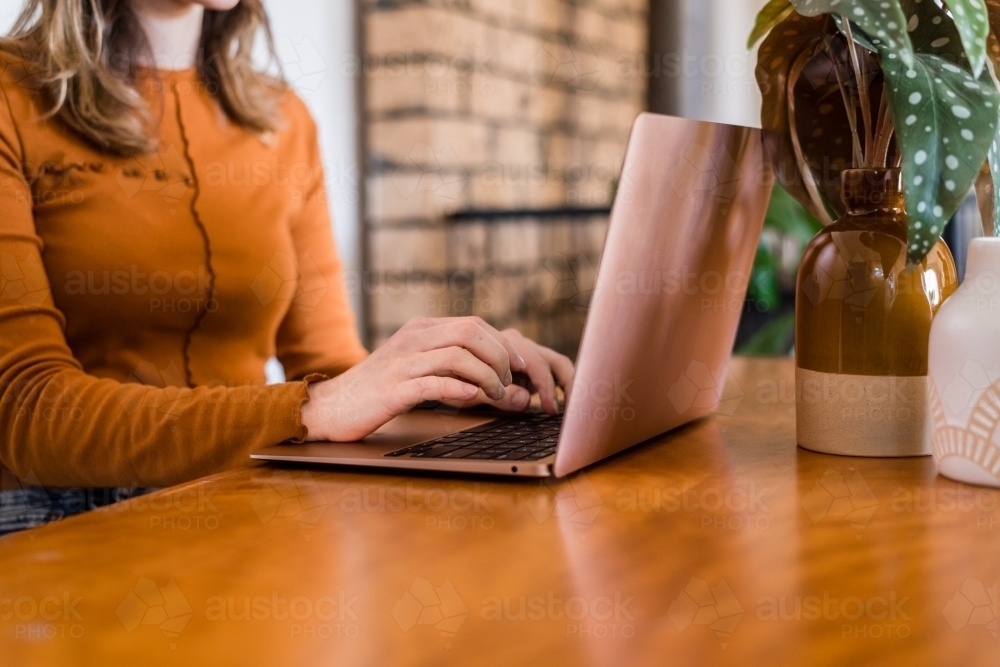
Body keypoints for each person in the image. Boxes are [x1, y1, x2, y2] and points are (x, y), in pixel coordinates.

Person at [0, 0, 574, 532]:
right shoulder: (11, 94)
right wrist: (313, 406)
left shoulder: (283, 120)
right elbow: (23, 410)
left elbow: (329, 367)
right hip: (58, 518)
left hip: (239, 496)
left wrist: (445, 382)